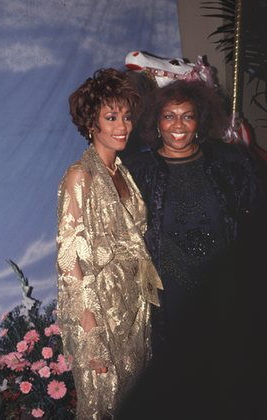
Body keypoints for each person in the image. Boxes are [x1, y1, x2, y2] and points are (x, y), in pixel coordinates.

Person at [123, 80, 267, 419]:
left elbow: (254, 214)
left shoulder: (227, 161)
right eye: (169, 116)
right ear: (156, 123)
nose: (178, 126)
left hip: (225, 289)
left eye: (187, 117)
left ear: (199, 120)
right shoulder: (139, 171)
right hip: (170, 296)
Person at [56, 68, 163, 419]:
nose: (123, 126)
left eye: (127, 116)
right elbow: (70, 257)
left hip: (132, 306)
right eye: (111, 117)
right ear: (91, 122)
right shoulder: (80, 176)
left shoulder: (122, 172)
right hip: (101, 310)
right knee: (104, 405)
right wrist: (90, 331)